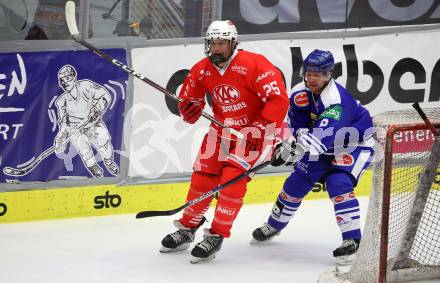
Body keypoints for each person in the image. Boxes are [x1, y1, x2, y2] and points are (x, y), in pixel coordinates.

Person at [160, 20, 289, 263]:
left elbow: (278, 100)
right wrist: (189, 109)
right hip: (221, 131)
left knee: (231, 181)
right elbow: (189, 102)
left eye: (221, 43)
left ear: (233, 43)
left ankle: (216, 235)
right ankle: (188, 228)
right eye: (213, 43)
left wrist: (260, 129)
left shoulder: (254, 64)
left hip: (255, 134)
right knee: (202, 178)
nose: (216, 48)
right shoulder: (201, 69)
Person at [251, 49, 375, 265]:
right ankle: (274, 225)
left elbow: (322, 139)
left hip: (353, 144)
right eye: (308, 73)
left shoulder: (337, 100)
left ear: (329, 74)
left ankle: (352, 240)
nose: (311, 78)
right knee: (295, 184)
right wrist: (287, 145)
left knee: (339, 182)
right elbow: (298, 127)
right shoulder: (299, 93)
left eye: (317, 74)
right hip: (322, 144)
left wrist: (291, 151)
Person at [54, 64, 119, 178]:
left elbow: (105, 96)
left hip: (94, 124)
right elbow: (64, 122)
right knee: (84, 150)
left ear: (74, 78)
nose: (65, 83)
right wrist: (61, 137)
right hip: (76, 130)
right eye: (62, 80)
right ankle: (93, 167)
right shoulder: (61, 101)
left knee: (104, 142)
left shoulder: (86, 86)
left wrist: (98, 109)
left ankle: (109, 161)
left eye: (68, 78)